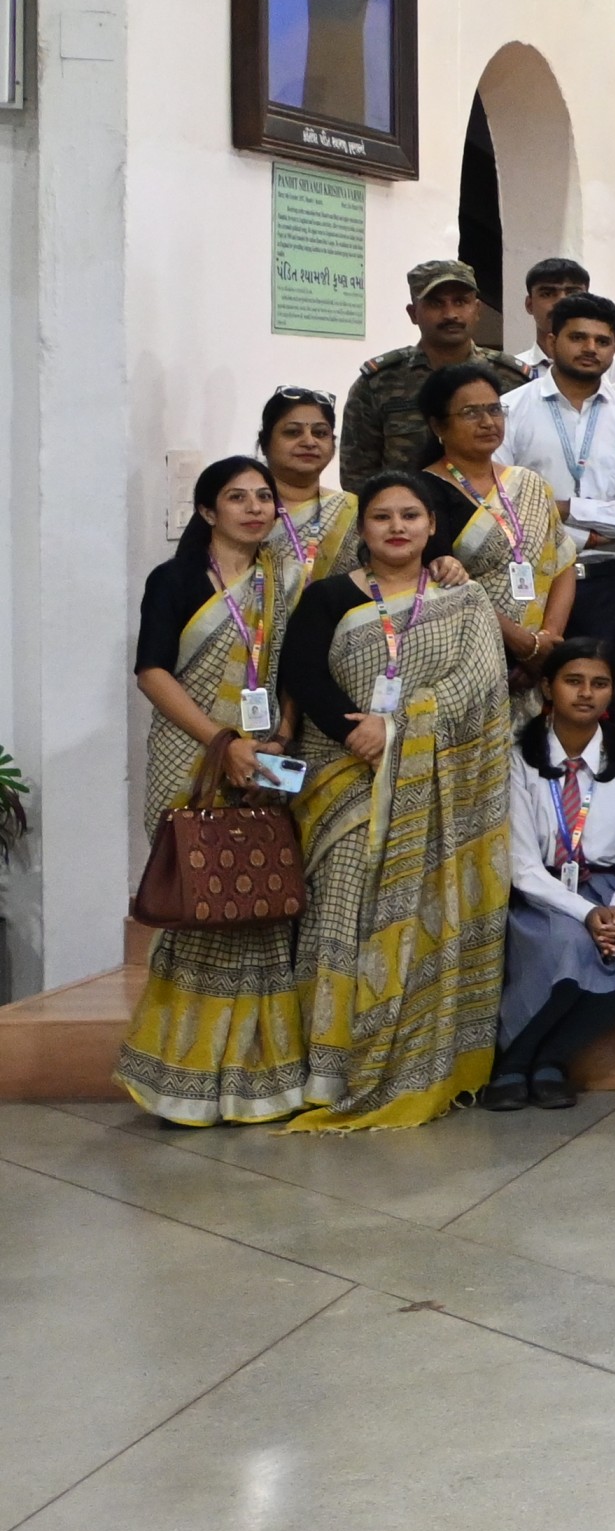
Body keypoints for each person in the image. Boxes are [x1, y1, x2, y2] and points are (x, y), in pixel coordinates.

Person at [280, 470, 518, 1129]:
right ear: (362, 528)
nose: (396, 527)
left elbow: (477, 682)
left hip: (432, 789)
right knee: (340, 913)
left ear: (431, 525)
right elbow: (301, 672)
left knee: (420, 913)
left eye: (410, 515)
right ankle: (330, 1070)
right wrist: (356, 732)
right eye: (382, 516)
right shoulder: (330, 596)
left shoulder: (461, 597)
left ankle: (413, 1056)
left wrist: (399, 728)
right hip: (342, 778)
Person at [116, 459, 313, 1126]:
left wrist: (280, 735)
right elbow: (152, 672)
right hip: (193, 759)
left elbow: (293, 670)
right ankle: (182, 1083)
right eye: (237, 498)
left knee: (261, 906)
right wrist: (220, 743)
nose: (255, 508)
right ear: (207, 511)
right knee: (203, 904)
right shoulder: (175, 579)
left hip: (265, 760)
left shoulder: (285, 581)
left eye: (264, 497)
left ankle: (258, 1081)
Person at [485, 638, 615, 1112]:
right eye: (573, 681)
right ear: (548, 687)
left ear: (614, 691)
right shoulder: (517, 756)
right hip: (543, 889)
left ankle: (550, 1058)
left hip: (612, 888)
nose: (586, 693)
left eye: (600, 683)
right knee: (564, 944)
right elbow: (522, 864)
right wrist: (587, 914)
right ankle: (512, 1062)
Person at [500, 291, 615, 675]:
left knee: (600, 694)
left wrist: (564, 509)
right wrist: (590, 534)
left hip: (608, 585)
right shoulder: (509, 410)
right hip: (531, 581)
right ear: (552, 340)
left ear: (614, 349)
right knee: (529, 692)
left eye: (602, 341)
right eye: (578, 338)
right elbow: (502, 510)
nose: (591, 348)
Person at [421, 359, 579, 686]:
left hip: (539, 656)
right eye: (470, 413)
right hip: (465, 657)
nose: (488, 422)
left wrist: (546, 642)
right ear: (438, 426)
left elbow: (563, 563)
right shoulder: (420, 493)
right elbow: (443, 586)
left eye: (494, 410)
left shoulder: (529, 483)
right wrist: (523, 645)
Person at [341, 257, 525, 488]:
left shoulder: (511, 378)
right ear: (413, 313)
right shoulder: (380, 383)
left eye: (460, 302)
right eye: (436, 303)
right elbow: (357, 476)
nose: (450, 314)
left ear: (477, 309)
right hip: (406, 508)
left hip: (496, 506)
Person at [259, 387, 358, 598]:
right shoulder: (238, 510)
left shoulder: (354, 510)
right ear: (264, 443)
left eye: (320, 433)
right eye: (293, 432)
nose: (309, 442)